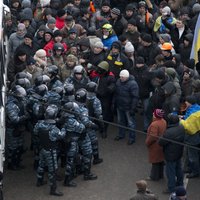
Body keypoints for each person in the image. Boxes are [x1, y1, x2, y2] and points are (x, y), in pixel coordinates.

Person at [34, 104, 66, 196]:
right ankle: (53, 189)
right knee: (53, 170)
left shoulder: (39, 124)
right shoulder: (54, 129)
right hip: (51, 150)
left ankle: (39, 181)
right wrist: (63, 127)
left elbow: (35, 132)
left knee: (41, 165)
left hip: (42, 148)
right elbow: (61, 135)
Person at [159, 114, 185, 194]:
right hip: (179, 152)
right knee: (179, 169)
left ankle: (171, 188)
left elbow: (161, 142)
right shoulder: (181, 127)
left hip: (170, 154)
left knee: (170, 172)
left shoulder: (169, 132)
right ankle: (180, 183)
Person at [114, 69, 139, 145]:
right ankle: (121, 135)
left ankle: (132, 138)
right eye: (120, 77)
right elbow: (116, 94)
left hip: (128, 107)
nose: (121, 78)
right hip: (120, 106)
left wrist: (133, 108)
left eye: (122, 77)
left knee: (131, 124)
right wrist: (114, 104)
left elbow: (135, 97)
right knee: (120, 121)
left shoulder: (133, 84)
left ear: (127, 77)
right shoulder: (118, 81)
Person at [145, 109, 167, 181]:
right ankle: (160, 175)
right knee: (160, 160)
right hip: (162, 144)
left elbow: (153, 136)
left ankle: (154, 176)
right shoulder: (163, 121)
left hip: (155, 145)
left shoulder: (154, 124)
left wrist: (147, 142)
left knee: (155, 162)